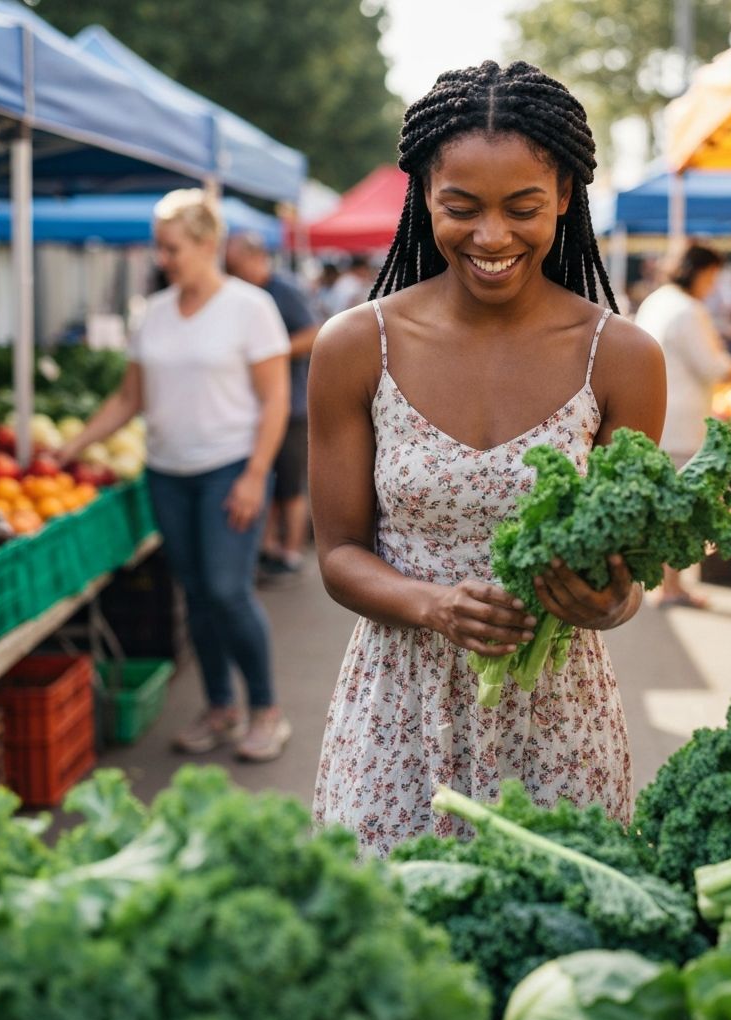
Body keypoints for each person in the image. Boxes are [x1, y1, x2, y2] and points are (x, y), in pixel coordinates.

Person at [307, 60, 666, 856]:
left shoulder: (623, 358)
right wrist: (433, 604)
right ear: (424, 197)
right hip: (397, 716)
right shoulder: (356, 346)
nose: (493, 236)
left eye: (523, 208)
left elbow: (633, 576)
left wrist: (609, 601)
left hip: (559, 720)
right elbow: (338, 554)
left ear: (565, 196)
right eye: (461, 207)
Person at [58, 190, 293, 761]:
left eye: (172, 248)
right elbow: (128, 399)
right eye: (159, 248)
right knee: (196, 596)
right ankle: (220, 707)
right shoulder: (155, 313)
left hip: (229, 469)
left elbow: (276, 399)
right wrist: (73, 447)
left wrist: (255, 474)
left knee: (227, 591)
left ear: (207, 244)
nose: (162, 259)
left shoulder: (250, 307)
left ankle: (267, 711)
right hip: (166, 474)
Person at [634, 242, 731, 609]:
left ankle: (669, 584)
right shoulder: (687, 310)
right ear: (699, 272)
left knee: (668, 504)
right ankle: (671, 587)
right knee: (679, 507)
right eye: (713, 276)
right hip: (681, 421)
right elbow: (714, 367)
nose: (713, 285)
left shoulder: (658, 300)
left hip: (659, 414)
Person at [224, 232, 320, 579]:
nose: (232, 273)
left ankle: (290, 553)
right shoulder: (242, 296)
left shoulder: (284, 291)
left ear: (256, 258)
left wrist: (271, 352)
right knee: (266, 480)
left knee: (290, 485)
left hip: (291, 406)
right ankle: (267, 549)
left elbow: (314, 334)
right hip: (258, 407)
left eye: (236, 265)